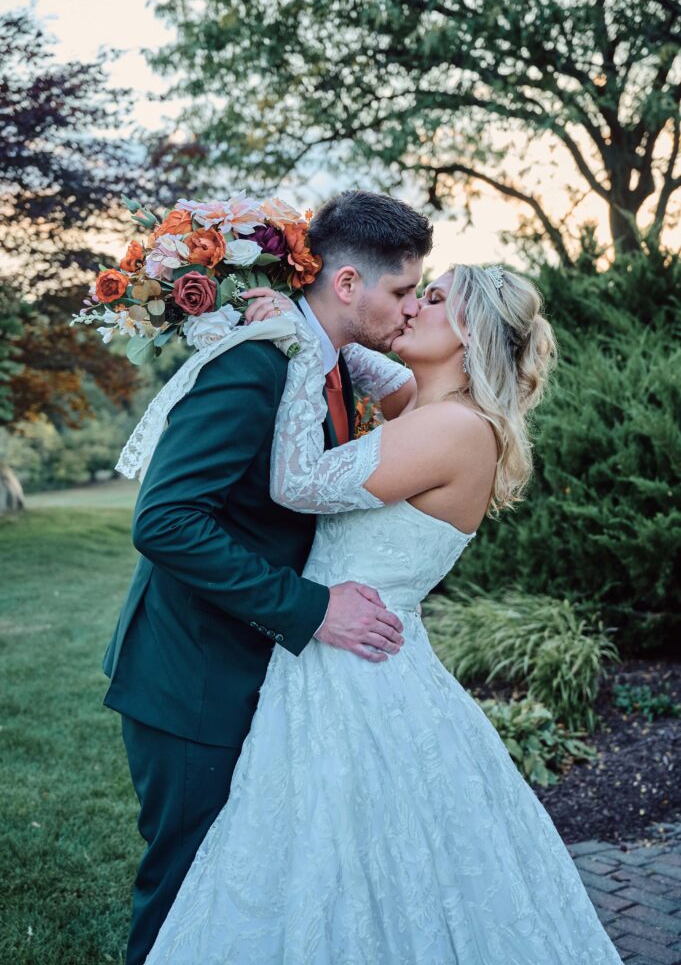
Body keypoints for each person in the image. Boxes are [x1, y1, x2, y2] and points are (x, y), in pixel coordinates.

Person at [143, 262, 625, 964]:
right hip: (343, 654)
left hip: (358, 666)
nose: (410, 310)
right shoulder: (426, 408)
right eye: (409, 294)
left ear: (469, 333)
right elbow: (373, 367)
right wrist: (309, 319)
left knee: (345, 857)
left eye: (429, 300)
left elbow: (298, 482)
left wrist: (301, 347)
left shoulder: (454, 430)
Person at [102, 190, 434, 965]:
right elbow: (166, 522)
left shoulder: (326, 361)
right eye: (402, 290)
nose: (411, 307)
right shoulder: (255, 363)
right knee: (187, 895)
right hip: (192, 680)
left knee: (240, 899)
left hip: (259, 675)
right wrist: (310, 609)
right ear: (347, 285)